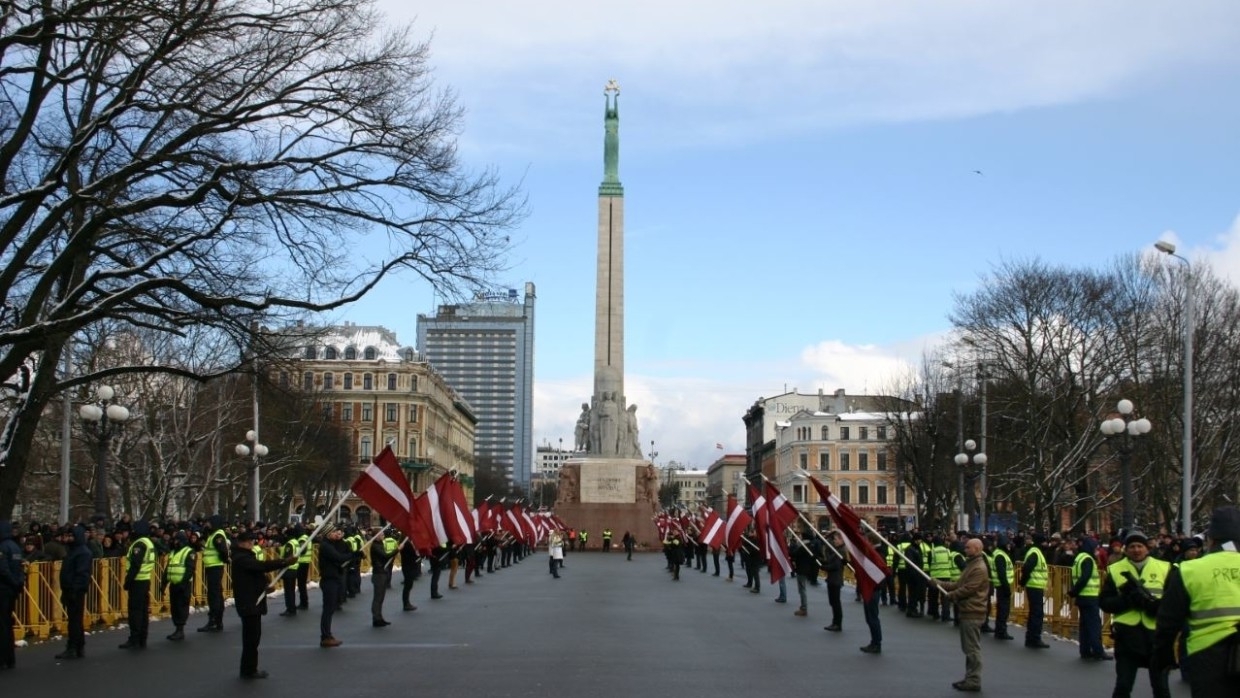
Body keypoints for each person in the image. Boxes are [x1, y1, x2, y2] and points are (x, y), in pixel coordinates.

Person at [1154, 506, 1240, 698]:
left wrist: (1163, 655)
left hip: (1207, 655)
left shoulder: (1189, 570)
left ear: (1210, 539)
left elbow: (1168, 621)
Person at [1099, 529, 1171, 698]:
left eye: (1140, 546)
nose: (1136, 550)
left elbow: (1172, 603)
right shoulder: (1115, 569)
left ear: (1147, 548)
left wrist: (1151, 605)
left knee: (1161, 688)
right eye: (1132, 546)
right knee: (1123, 686)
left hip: (1155, 636)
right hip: (1127, 637)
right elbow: (1105, 603)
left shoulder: (1164, 567)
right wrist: (1127, 600)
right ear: (1126, 549)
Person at [231, 531, 297, 679]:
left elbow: (254, 576)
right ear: (241, 543)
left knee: (254, 637)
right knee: (251, 639)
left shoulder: (245, 556)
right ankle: (248, 670)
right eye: (248, 541)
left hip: (253, 600)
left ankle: (250, 667)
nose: (251, 544)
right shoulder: (241, 558)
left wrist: (265, 586)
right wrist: (284, 562)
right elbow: (261, 566)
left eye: (251, 541)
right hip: (249, 602)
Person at [941, 537, 991, 692]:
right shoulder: (972, 565)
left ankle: (974, 679)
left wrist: (952, 595)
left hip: (973, 611)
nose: (965, 549)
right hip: (968, 610)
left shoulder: (979, 568)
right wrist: (940, 584)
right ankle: (970, 677)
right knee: (969, 647)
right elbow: (959, 584)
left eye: (968, 547)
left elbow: (968, 589)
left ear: (977, 549)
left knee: (972, 648)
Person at [1069, 535, 1112, 661]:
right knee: (1094, 625)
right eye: (1095, 548)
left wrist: (1074, 591)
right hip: (1089, 596)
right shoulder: (1088, 559)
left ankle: (1085, 650)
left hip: (1082, 596)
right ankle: (1098, 651)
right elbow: (1085, 577)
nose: (1096, 551)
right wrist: (1075, 591)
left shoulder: (1079, 558)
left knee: (1085, 625)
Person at [55, 525, 92, 660]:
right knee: (75, 620)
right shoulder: (73, 551)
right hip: (70, 589)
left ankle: (73, 647)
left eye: (71, 536)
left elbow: (82, 574)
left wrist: (74, 590)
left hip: (75, 591)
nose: (68, 538)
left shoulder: (82, 552)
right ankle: (78, 646)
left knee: (74, 621)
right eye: (68, 536)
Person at [119, 520, 156, 650]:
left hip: (137, 581)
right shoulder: (148, 542)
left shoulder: (139, 544)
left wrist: (128, 581)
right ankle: (142, 638)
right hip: (145, 579)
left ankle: (135, 638)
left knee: (135, 611)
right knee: (143, 611)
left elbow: (135, 565)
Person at [317, 526, 350, 648]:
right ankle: (325, 636)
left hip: (333, 578)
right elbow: (339, 557)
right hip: (329, 579)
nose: (336, 534)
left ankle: (327, 635)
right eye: (333, 532)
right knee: (328, 609)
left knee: (330, 609)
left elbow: (341, 553)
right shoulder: (326, 546)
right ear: (327, 534)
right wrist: (354, 555)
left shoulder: (331, 544)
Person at [0, 520, 24, 669]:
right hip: (12, 589)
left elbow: (3, 570)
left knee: (2, 624)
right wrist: (17, 584)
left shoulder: (2, 547)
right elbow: (19, 568)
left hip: (3, 589)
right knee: (8, 623)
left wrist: (12, 582)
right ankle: (10, 658)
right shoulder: (15, 547)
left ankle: (2, 657)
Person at [163, 530, 196, 641]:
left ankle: (180, 630)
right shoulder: (173, 552)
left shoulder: (189, 552)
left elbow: (190, 570)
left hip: (183, 585)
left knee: (181, 607)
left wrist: (183, 583)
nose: (174, 542)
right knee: (175, 607)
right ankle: (177, 629)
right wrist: (163, 584)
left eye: (176, 540)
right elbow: (168, 568)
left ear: (181, 541)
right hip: (174, 584)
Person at [199, 514, 230, 632]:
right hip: (213, 567)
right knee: (217, 594)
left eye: (209, 522)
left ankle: (214, 619)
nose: (207, 524)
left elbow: (223, 551)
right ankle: (217, 621)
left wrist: (224, 559)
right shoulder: (213, 534)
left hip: (215, 567)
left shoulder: (217, 535)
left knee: (214, 595)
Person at [1020, 532, 1051, 648]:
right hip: (1034, 586)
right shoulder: (1035, 552)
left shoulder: (1036, 552)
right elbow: (1027, 568)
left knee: (1035, 613)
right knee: (1037, 614)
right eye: (1044, 542)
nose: (1046, 544)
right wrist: (1023, 581)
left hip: (1035, 586)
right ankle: (1034, 638)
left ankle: (1031, 638)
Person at [860, 531, 885, 655]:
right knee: (869, 618)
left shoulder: (877, 554)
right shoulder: (874, 553)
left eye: (866, 540)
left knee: (872, 617)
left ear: (871, 541)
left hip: (873, 589)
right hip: (871, 588)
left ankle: (877, 643)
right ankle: (874, 641)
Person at [370, 529, 397, 626]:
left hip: (382, 571)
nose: (383, 536)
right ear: (376, 536)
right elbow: (385, 556)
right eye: (381, 534)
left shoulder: (380, 544)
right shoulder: (375, 546)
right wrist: (397, 550)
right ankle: (376, 618)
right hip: (378, 573)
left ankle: (379, 617)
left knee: (381, 597)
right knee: (378, 597)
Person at [990, 535, 1014, 640]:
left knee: (1002, 609)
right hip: (1002, 585)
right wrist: (1006, 588)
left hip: (1001, 585)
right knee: (1003, 610)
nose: (1009, 546)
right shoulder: (1000, 555)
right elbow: (1002, 574)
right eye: (1008, 544)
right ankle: (1001, 631)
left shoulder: (999, 553)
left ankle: (1000, 630)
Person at [791, 533, 820, 617]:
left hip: (801, 569)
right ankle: (803, 607)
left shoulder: (803, 547)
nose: (799, 537)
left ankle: (804, 608)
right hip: (805, 569)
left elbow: (793, 553)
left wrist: (796, 546)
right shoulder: (809, 546)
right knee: (802, 588)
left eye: (800, 536)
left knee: (802, 589)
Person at [822, 531, 846, 632]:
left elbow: (835, 566)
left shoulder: (841, 551)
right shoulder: (837, 550)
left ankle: (837, 623)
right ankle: (835, 622)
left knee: (836, 603)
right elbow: (829, 560)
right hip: (832, 579)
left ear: (841, 540)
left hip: (835, 579)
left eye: (836, 539)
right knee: (833, 602)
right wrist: (820, 560)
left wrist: (823, 567)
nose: (834, 541)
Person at [399, 538, 420, 611]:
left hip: (408, 566)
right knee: (408, 585)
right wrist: (417, 554)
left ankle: (407, 603)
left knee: (409, 585)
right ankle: (406, 604)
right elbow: (411, 555)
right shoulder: (406, 544)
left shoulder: (406, 543)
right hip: (408, 566)